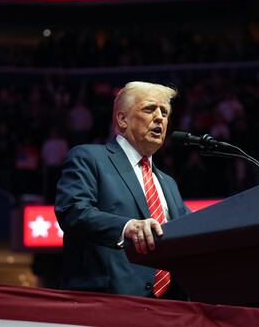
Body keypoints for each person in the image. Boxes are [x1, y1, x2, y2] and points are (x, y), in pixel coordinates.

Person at [55, 81, 190, 298]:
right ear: (122, 119)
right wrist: (126, 227)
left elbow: (188, 232)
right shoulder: (89, 158)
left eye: (164, 112)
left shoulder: (169, 183)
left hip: (170, 308)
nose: (160, 118)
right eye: (149, 109)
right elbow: (72, 210)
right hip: (107, 303)